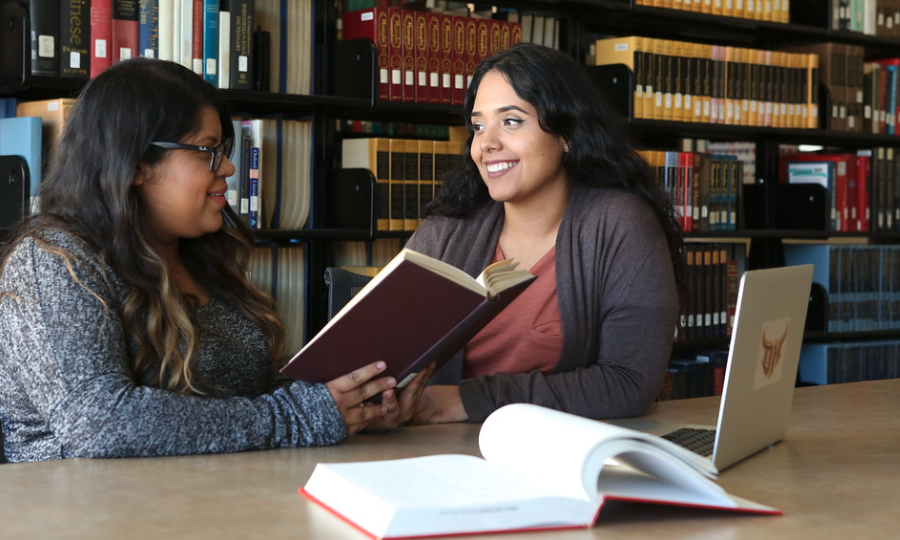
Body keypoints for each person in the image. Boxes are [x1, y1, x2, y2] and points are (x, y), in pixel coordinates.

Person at [0, 58, 430, 463]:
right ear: (133, 163)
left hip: (214, 500)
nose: (226, 166)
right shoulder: (53, 261)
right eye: (207, 151)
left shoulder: (201, 255)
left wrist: (350, 405)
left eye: (224, 149)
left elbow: (243, 400)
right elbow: (99, 423)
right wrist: (300, 417)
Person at [405, 42, 685, 425]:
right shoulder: (443, 234)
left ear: (567, 133)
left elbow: (630, 382)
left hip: (557, 454)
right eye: (479, 125)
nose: (486, 144)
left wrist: (468, 401)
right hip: (430, 451)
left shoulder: (620, 224)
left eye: (512, 121)